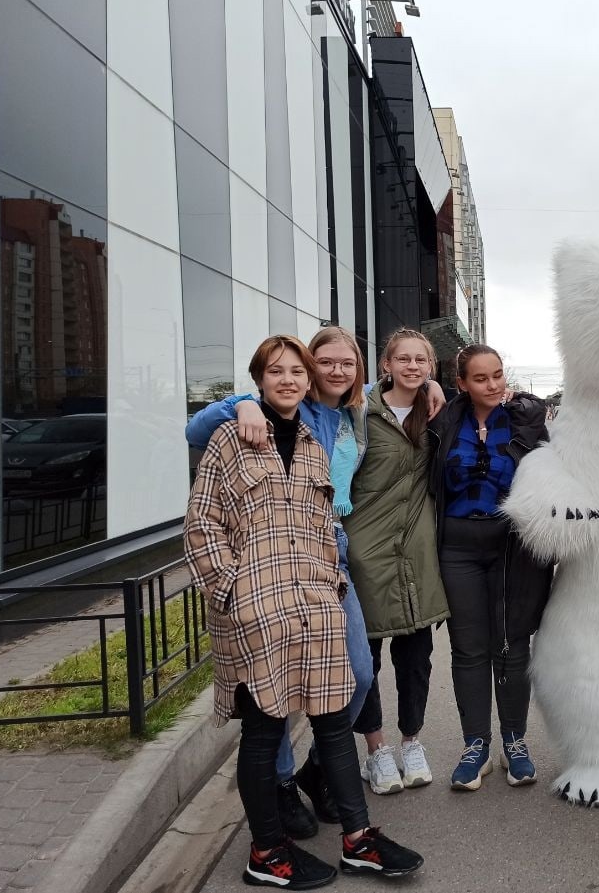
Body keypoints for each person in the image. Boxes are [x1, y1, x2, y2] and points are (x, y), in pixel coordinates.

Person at [184, 327, 443, 837]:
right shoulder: (285, 410)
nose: (337, 370)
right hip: (269, 563)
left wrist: (432, 385)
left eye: (347, 362)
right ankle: (281, 785)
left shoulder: (352, 413)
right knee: (272, 687)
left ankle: (319, 768)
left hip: (331, 559)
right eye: (324, 361)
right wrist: (241, 403)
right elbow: (197, 432)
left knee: (357, 674)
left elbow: (400, 394)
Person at [428, 345, 553, 790]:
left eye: (497, 375)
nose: (493, 385)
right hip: (457, 547)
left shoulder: (524, 420)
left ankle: (514, 742)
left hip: (512, 547)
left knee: (513, 643)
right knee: (469, 648)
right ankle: (475, 745)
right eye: (480, 378)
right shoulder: (441, 420)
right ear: (461, 383)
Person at [344, 328, 451, 795]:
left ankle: (412, 741)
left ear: (431, 366)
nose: (411, 366)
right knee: (366, 660)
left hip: (418, 552)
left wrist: (437, 389)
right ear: (385, 364)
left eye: (420, 360)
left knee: (416, 658)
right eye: (402, 359)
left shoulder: (437, 414)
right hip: (366, 549)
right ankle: (376, 751)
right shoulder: (359, 413)